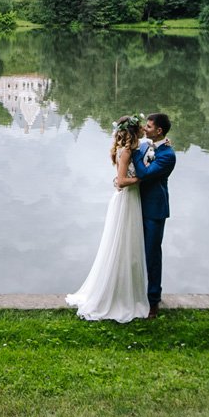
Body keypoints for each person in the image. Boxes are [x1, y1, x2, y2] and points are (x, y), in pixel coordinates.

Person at [65, 114, 150, 322]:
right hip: (126, 200)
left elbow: (149, 143)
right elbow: (121, 181)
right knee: (122, 246)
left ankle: (126, 291)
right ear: (133, 131)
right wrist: (142, 178)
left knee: (129, 247)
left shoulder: (134, 148)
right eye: (141, 127)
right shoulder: (126, 152)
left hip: (130, 200)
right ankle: (118, 295)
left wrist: (164, 142)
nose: (144, 130)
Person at [135, 112, 175, 318]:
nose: (144, 128)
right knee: (133, 251)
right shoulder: (144, 146)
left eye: (148, 127)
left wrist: (131, 153)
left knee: (152, 255)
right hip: (134, 206)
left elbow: (144, 174)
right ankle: (133, 293)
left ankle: (153, 301)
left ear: (159, 131)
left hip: (154, 210)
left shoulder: (168, 155)